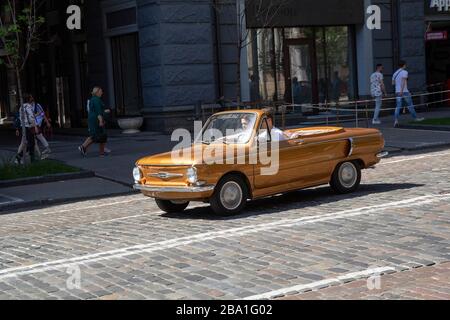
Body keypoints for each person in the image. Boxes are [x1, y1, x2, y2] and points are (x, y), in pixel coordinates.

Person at [78, 87, 110, 157]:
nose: (102, 92)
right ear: (97, 92)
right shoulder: (96, 100)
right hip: (96, 120)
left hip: (93, 120)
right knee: (102, 135)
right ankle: (101, 153)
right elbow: (98, 112)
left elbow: (94, 110)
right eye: (101, 91)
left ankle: (83, 147)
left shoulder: (93, 99)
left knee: (94, 135)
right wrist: (101, 121)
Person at [392, 60, 424, 128]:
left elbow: (393, 83)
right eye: (405, 64)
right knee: (410, 105)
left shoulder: (395, 73)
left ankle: (396, 120)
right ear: (403, 65)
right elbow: (404, 82)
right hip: (404, 91)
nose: (406, 66)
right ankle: (415, 118)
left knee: (398, 106)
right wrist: (402, 90)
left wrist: (399, 89)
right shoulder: (405, 72)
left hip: (397, 91)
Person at [16, 94, 38, 163]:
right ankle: (19, 156)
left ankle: (32, 159)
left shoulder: (21, 107)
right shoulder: (29, 107)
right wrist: (35, 126)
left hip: (23, 126)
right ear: (29, 99)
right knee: (31, 143)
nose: (32, 98)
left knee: (30, 143)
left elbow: (21, 117)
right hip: (29, 127)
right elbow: (31, 118)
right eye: (31, 97)